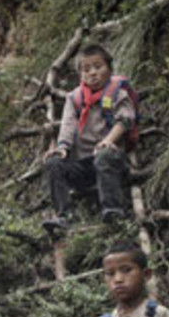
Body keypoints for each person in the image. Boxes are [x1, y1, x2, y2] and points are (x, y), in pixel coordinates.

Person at [42, 43, 136, 234]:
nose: (93, 73)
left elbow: (125, 119)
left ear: (109, 69)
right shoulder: (75, 98)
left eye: (98, 67)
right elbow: (68, 124)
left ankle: (112, 210)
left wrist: (109, 140)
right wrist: (62, 147)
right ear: (80, 75)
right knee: (53, 162)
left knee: (104, 155)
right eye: (86, 69)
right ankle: (65, 215)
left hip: (112, 161)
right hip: (83, 164)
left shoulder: (118, 93)